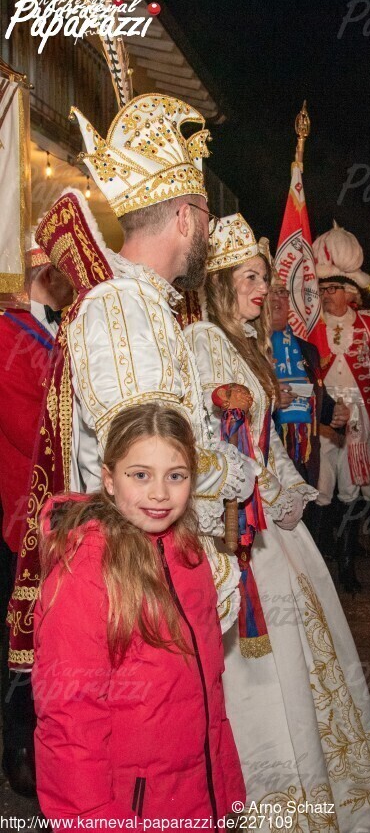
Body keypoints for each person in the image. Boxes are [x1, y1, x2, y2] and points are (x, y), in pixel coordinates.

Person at [9, 96, 255, 671]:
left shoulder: (142, 303)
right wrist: (235, 470)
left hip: (152, 569)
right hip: (136, 581)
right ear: (186, 217)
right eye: (206, 218)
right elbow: (146, 461)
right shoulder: (124, 308)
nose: (208, 233)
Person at [186, 213, 370, 833]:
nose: (264, 291)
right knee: (258, 671)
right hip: (234, 524)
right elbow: (218, 445)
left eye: (265, 279)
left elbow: (263, 439)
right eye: (251, 278)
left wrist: (290, 490)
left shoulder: (242, 342)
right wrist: (270, 494)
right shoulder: (204, 341)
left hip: (270, 519)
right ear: (220, 283)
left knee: (306, 658)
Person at [33, 403, 245, 824]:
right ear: (109, 480)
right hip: (130, 809)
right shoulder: (86, 572)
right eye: (140, 475)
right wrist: (94, 818)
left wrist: (227, 791)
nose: (160, 493)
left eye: (176, 476)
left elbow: (208, 693)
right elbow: (69, 717)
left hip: (199, 794)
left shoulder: (188, 555)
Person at [0, 241, 72, 797]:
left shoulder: (67, 326)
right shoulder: (8, 333)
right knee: (23, 630)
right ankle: (20, 744)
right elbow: (31, 427)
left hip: (68, 501)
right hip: (25, 508)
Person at [309, 222, 370, 593]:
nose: (326, 295)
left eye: (333, 288)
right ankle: (319, 563)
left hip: (357, 417)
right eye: (322, 289)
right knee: (321, 490)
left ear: (350, 291)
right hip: (322, 416)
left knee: (351, 490)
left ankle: (348, 562)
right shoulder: (309, 327)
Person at [268, 267, 349, 539]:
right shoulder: (249, 346)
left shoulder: (308, 350)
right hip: (269, 459)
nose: (277, 299)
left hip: (305, 459)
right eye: (270, 293)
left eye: (282, 292)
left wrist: (333, 412)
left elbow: (315, 396)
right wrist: (271, 400)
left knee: (304, 536)